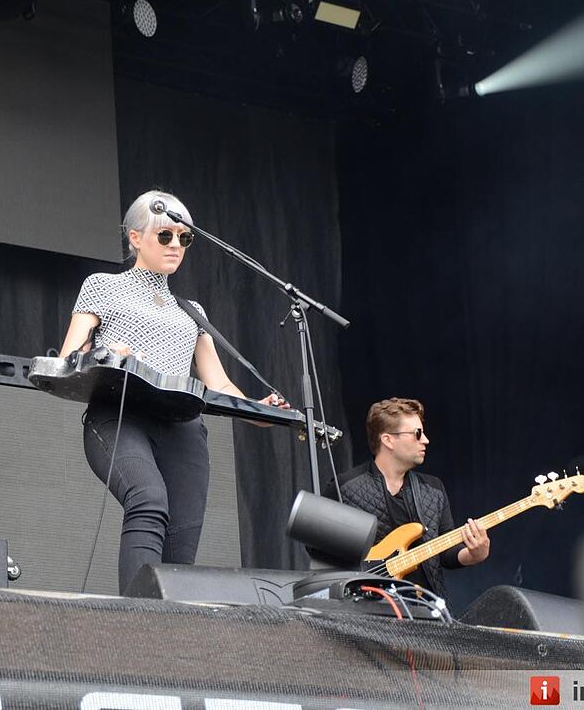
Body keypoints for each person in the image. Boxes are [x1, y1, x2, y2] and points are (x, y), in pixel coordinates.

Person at [59, 189, 288, 594]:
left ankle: (168, 623)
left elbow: (218, 383)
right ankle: (138, 617)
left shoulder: (192, 310)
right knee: (147, 499)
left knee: (181, 542)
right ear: (135, 238)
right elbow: (67, 358)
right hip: (120, 415)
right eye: (165, 235)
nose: (175, 245)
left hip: (182, 428)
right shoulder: (102, 286)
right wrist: (105, 354)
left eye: (185, 238)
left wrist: (259, 410)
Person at [324, 397, 489, 599]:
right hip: (366, 608)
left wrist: (473, 555)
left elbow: (446, 553)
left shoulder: (433, 488)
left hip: (426, 605)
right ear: (388, 440)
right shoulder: (344, 488)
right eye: (417, 434)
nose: (425, 440)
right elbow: (323, 556)